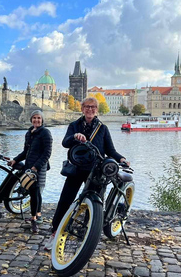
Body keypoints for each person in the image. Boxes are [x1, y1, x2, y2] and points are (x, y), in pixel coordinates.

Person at [44, 97, 129, 250]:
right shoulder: (74, 125)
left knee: (94, 203)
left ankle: (87, 233)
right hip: (76, 168)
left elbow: (110, 150)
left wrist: (121, 158)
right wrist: (74, 136)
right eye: (87, 107)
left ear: (97, 110)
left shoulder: (102, 128)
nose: (90, 109)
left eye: (93, 107)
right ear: (82, 109)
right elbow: (65, 143)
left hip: (95, 170)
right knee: (65, 200)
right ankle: (55, 232)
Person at [8, 110, 52, 233]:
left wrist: (36, 167)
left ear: (42, 120)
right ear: (31, 120)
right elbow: (25, 152)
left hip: (39, 167)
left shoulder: (45, 133)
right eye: (34, 118)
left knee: (34, 192)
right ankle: (38, 214)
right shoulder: (29, 133)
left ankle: (33, 220)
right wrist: (15, 160)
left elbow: (47, 153)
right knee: (36, 192)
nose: (36, 120)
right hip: (29, 166)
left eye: (39, 118)